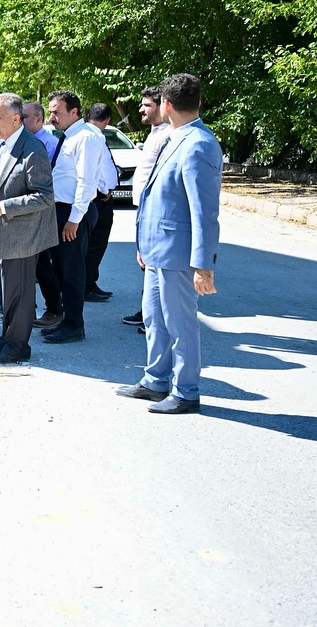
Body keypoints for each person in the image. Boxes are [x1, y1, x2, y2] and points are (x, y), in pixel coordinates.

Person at [116, 73, 221, 414]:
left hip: (177, 254)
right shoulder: (173, 136)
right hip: (157, 249)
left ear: (167, 104)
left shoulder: (198, 143)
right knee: (155, 318)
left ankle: (186, 391)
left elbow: (204, 211)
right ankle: (156, 380)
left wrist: (203, 265)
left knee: (180, 324)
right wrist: (143, 244)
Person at [0, 94, 58, 362]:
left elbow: (44, 195)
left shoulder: (33, 148)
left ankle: (17, 347)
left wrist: (5, 207)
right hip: (4, 235)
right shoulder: (4, 144)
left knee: (20, 295)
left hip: (21, 236)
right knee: (8, 293)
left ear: (15, 118)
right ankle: (7, 339)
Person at [42, 90, 105, 344]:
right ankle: (67, 320)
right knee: (61, 269)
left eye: (56, 111)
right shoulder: (70, 136)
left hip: (73, 212)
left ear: (74, 111)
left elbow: (86, 181)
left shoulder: (87, 137)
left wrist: (75, 219)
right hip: (62, 211)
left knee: (71, 271)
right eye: (51, 112)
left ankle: (74, 325)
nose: (52, 117)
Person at [123, 85, 172, 329]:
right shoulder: (155, 132)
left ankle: (155, 317)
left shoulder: (168, 134)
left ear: (163, 106)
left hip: (155, 210)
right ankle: (148, 311)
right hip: (143, 207)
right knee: (146, 262)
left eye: (147, 105)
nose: (141, 109)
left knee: (153, 262)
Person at [25, 101, 63, 328]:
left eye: (25, 116)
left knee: (43, 265)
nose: (20, 119)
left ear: (38, 119)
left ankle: (54, 308)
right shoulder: (23, 141)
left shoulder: (49, 144)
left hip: (42, 210)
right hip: (26, 212)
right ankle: (27, 308)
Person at [82, 103, 120, 302]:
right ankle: (87, 285)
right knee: (95, 243)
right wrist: (104, 190)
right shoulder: (94, 136)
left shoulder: (89, 133)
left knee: (94, 243)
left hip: (99, 195)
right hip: (98, 198)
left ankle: (90, 282)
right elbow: (98, 168)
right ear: (107, 120)